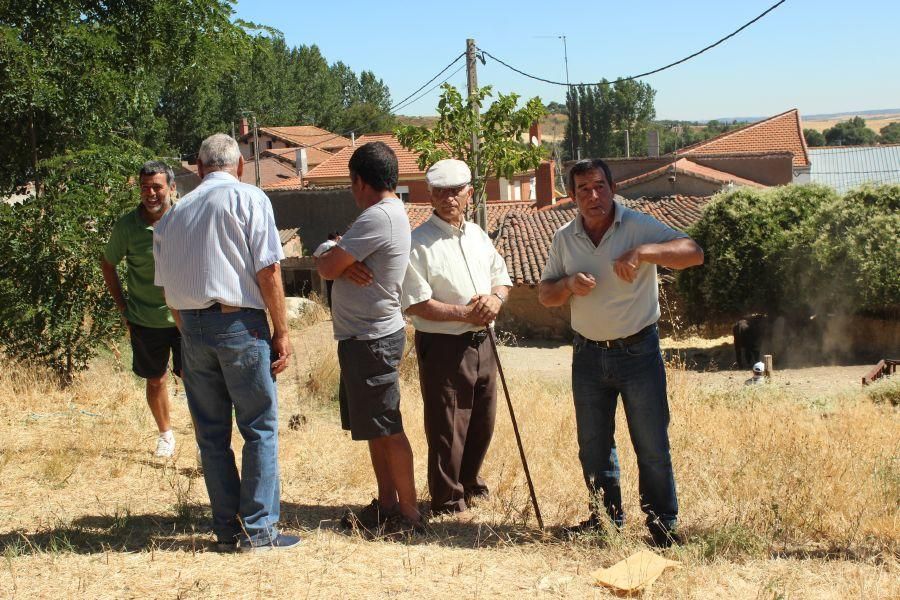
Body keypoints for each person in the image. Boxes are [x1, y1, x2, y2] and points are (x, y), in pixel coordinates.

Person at [538, 158, 704, 547]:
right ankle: (604, 523)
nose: (593, 196)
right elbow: (545, 294)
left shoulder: (636, 226)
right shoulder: (565, 237)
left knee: (651, 445)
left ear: (612, 188)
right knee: (593, 447)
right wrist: (567, 284)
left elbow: (693, 252)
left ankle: (663, 527)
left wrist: (644, 253)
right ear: (572, 196)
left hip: (638, 354)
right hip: (587, 357)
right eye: (583, 190)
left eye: (599, 186)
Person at [153, 133, 299, 553]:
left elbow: (168, 292)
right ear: (239, 167)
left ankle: (225, 530)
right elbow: (268, 271)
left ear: (199, 169)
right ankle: (258, 530)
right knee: (259, 427)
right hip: (240, 325)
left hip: (192, 330)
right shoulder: (250, 199)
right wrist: (282, 332)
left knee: (211, 435)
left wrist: (189, 332)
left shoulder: (172, 215)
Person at [316, 141, 422, 533]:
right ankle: (388, 504)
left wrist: (336, 261)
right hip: (365, 338)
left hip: (373, 339)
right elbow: (331, 255)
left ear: (359, 181)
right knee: (375, 428)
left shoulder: (377, 217)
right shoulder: (385, 215)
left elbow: (326, 265)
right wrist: (340, 260)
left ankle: (409, 516)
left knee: (388, 427)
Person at [401, 159, 512, 516]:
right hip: (444, 346)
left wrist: (495, 300)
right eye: (440, 192)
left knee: (483, 419)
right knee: (448, 424)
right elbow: (417, 304)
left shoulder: (478, 235)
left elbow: (501, 277)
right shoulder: (417, 244)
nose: (449, 198)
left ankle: (470, 482)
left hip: (484, 343)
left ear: (469, 193)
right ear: (430, 196)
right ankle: (447, 499)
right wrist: (466, 314)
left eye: (456, 191)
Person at [101, 161, 181, 458]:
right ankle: (165, 435)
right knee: (155, 378)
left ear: (171, 188)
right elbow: (108, 264)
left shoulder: (185, 218)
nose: (150, 193)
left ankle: (204, 441)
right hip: (146, 318)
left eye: (157, 187)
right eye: (145, 187)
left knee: (198, 380)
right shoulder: (127, 226)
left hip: (187, 315)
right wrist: (123, 308)